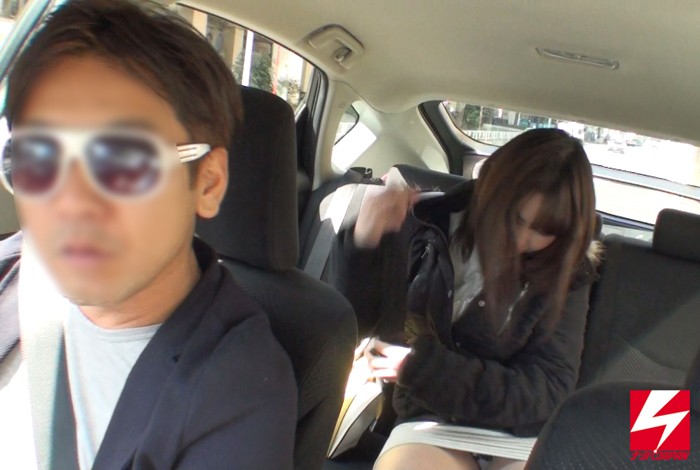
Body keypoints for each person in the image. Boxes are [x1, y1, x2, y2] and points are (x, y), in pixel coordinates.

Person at [0, 1, 296, 469]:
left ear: (208, 182)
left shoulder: (240, 393)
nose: (69, 201)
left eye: (123, 160)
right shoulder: (13, 271)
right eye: (39, 157)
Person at [331, 128, 601, 470]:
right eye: (516, 218)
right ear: (492, 188)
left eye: (543, 231)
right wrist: (364, 241)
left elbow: (548, 387)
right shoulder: (428, 223)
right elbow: (356, 323)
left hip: (517, 431)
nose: (521, 240)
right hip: (429, 418)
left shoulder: (568, 271)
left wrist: (425, 370)